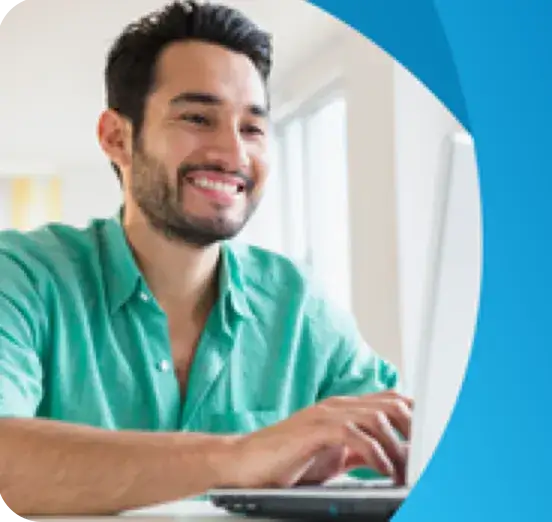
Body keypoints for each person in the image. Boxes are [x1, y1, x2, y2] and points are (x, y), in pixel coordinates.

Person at [0, 1, 412, 517]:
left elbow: (418, 449)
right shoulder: (22, 277)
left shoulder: (298, 307)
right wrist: (245, 455)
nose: (233, 153)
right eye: (197, 117)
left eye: (253, 128)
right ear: (117, 138)